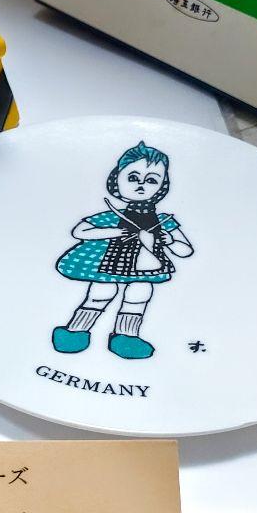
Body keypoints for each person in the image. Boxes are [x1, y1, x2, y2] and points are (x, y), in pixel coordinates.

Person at [52, 142, 193, 360]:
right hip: (109, 262)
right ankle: (76, 332)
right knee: (102, 292)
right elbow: (80, 231)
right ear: (116, 179)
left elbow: (185, 250)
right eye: (133, 178)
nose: (141, 185)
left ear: (162, 186)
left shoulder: (163, 220)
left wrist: (170, 240)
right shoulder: (113, 215)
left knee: (140, 293)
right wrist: (113, 231)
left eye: (151, 180)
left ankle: (126, 337)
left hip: (146, 266)